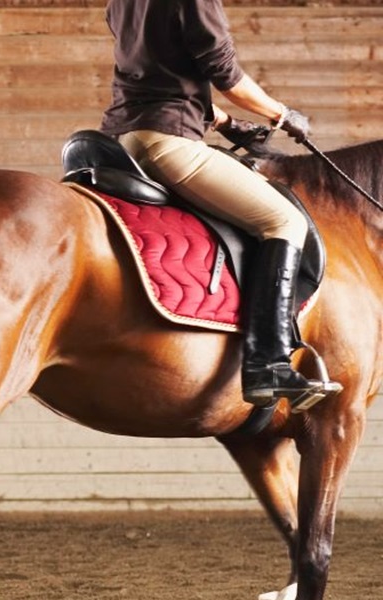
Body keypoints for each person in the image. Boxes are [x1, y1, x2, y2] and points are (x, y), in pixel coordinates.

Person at [100, 0, 330, 408]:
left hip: (127, 137)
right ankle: (268, 364)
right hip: (169, 141)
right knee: (284, 222)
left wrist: (226, 124)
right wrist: (283, 115)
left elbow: (160, 74)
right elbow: (227, 76)